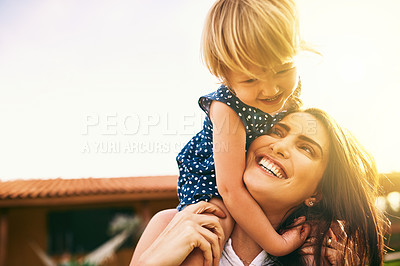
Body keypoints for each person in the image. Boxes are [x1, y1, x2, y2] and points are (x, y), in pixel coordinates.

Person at [131, 109, 387, 265]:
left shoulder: (320, 258)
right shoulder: (170, 225)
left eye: (306, 148)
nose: (279, 146)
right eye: (277, 131)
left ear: (316, 193)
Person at [173, 0, 313, 263]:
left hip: (257, 174)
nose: (271, 89)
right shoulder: (227, 108)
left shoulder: (292, 93)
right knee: (210, 232)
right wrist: (278, 244)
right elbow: (231, 190)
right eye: (250, 79)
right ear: (225, 75)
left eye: (283, 69)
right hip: (215, 181)